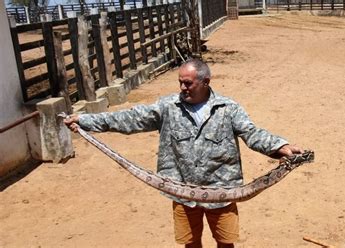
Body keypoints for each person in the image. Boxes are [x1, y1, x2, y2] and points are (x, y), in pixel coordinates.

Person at [64, 59, 303, 248]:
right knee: (190, 241)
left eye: (188, 83)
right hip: (182, 191)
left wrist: (281, 147)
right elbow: (129, 118)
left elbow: (252, 133)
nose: (182, 87)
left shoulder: (228, 109)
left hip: (222, 190)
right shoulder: (168, 107)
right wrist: (86, 121)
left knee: (225, 240)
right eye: (180, 82)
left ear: (205, 81)